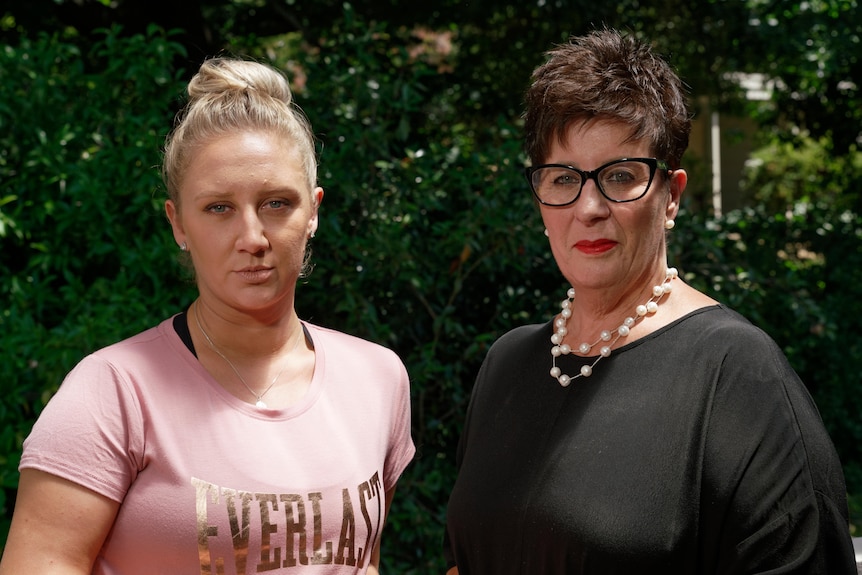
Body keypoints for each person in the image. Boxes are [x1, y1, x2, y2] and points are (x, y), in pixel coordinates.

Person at [443, 28, 856, 574]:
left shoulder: (737, 378)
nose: (588, 206)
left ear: (671, 196)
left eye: (620, 176)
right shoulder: (507, 364)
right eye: (564, 178)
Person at [0, 57, 415, 574]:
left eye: (277, 203)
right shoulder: (113, 391)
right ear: (178, 223)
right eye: (218, 207)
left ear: (314, 211)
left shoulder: (377, 378)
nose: (252, 238)